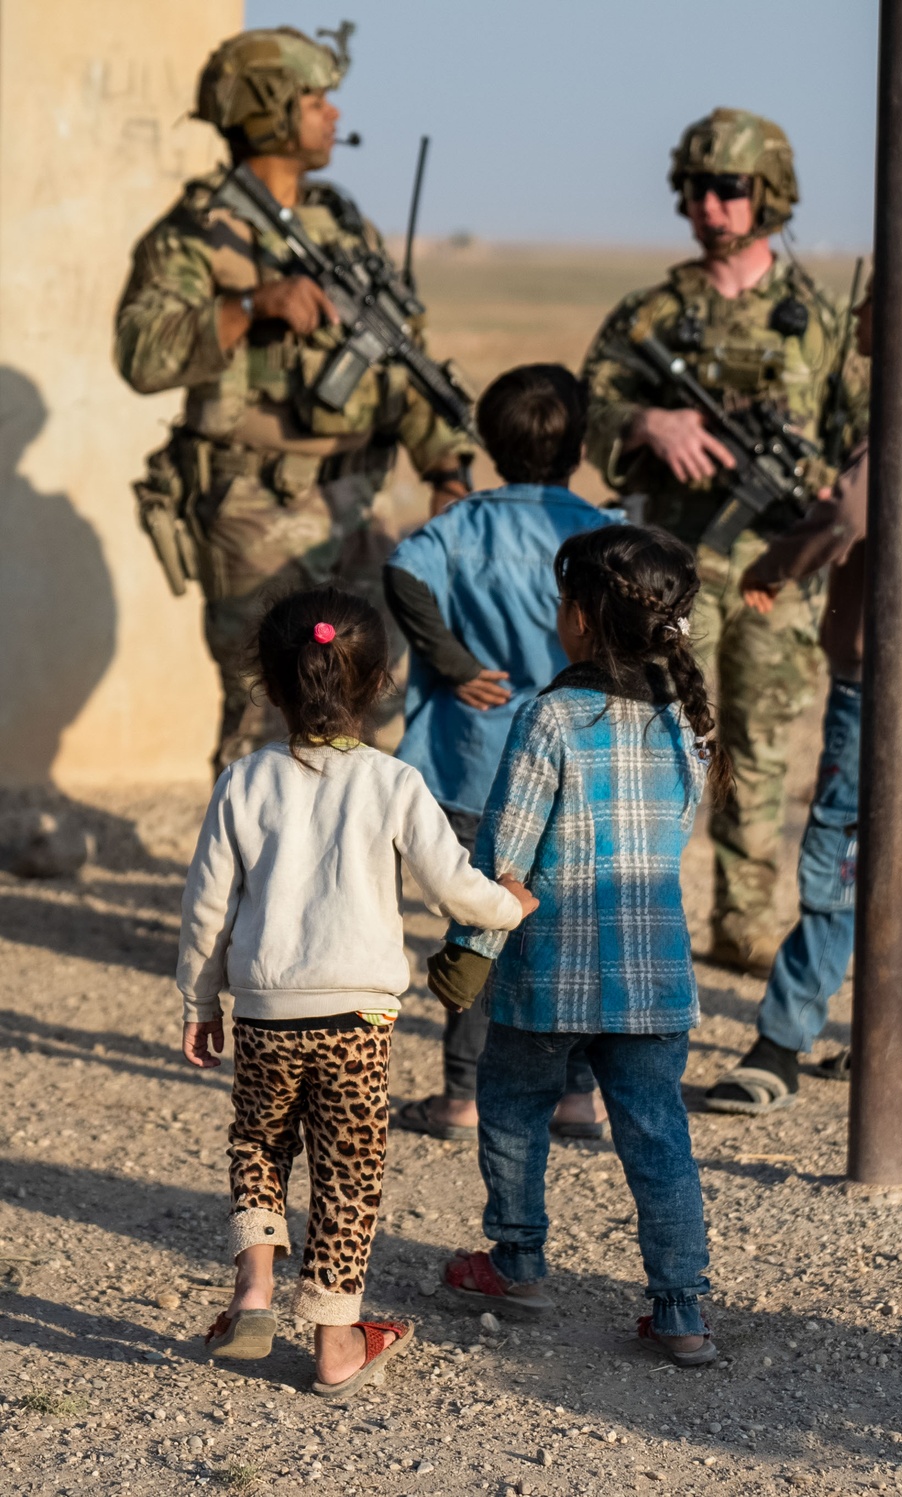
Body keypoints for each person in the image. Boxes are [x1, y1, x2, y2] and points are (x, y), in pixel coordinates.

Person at [177, 584, 536, 1396]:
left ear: (269, 685)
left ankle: (255, 1289)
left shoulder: (242, 781)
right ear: (379, 684)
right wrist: (506, 905)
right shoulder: (395, 782)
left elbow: (207, 906)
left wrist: (201, 1002)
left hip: (267, 1011)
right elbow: (455, 886)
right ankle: (337, 1340)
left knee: (259, 1145)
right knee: (348, 1169)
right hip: (357, 1021)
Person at [115, 26, 472, 778]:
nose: (333, 115)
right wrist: (250, 304)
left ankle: (348, 889)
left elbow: (398, 359)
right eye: (316, 98)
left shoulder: (340, 223)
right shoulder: (196, 232)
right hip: (255, 507)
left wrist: (446, 469)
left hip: (360, 500)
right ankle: (246, 892)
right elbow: (142, 353)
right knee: (262, 714)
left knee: (372, 707)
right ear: (268, 108)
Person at [428, 525, 728, 1365]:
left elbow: (503, 855)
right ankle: (682, 1309)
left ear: (585, 617)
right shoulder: (688, 722)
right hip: (655, 980)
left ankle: (517, 1261)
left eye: (563, 601)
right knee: (658, 1136)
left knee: (515, 1107)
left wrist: (465, 944)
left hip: (549, 975)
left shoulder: (552, 717)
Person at [582, 109, 867, 976]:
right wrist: (646, 420)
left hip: (780, 575)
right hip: (674, 573)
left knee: (759, 746)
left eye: (731, 188)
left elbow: (866, 441)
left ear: (768, 193)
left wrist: (826, 489)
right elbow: (587, 412)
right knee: (657, 741)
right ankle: (636, 915)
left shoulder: (820, 321)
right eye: (698, 187)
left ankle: (742, 924)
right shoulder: (652, 315)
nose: (710, 204)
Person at [705, 245, 902, 1114]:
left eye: (867, 305)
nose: (854, 316)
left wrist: (780, 562)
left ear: (898, 315)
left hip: (882, 667)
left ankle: (780, 1043)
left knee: (837, 843)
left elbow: (853, 513)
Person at [384, 364, 621, 1141]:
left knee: (475, 921)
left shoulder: (467, 520)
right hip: (578, 766)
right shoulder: (600, 528)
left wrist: (454, 665)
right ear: (582, 445)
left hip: (473, 758)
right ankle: (575, 1094)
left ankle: (464, 1092)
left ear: (486, 444)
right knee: (570, 928)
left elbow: (402, 574)